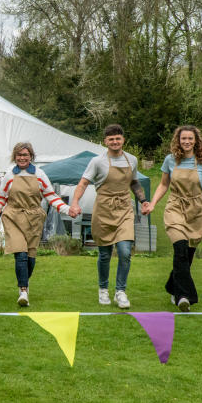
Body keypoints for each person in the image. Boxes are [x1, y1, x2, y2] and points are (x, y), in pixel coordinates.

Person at [142, 126, 202, 311]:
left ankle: (172, 286)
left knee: (187, 256)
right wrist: (152, 204)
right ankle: (184, 296)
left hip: (196, 211)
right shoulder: (170, 160)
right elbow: (163, 185)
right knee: (180, 249)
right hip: (175, 207)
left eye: (190, 139)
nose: (186, 142)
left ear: (196, 141)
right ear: (178, 140)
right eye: (183, 138)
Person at [68, 124, 148, 309]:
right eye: (110, 139)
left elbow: (134, 182)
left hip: (124, 208)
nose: (114, 141)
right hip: (103, 209)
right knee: (104, 254)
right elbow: (83, 183)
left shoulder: (132, 160)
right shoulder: (97, 161)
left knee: (125, 252)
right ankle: (103, 289)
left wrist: (143, 200)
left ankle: (120, 292)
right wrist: (75, 202)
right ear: (105, 141)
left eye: (117, 138)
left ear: (123, 140)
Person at [0, 142, 72, 307]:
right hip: (13, 216)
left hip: (34, 218)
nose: (22, 158)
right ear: (15, 157)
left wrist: (67, 209)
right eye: (19, 155)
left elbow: (51, 195)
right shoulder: (9, 175)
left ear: (31, 157)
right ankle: (23, 291)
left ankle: (24, 283)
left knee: (30, 258)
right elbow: (1, 198)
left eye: (25, 155)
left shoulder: (40, 174)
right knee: (20, 254)